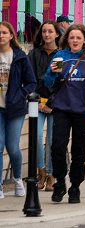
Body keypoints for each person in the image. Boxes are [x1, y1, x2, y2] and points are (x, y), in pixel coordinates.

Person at [45, 24, 85, 204]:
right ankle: (60, 182)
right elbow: (48, 83)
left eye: (78, 37)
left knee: (79, 151)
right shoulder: (60, 56)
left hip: (83, 111)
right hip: (62, 109)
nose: (75, 41)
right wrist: (52, 73)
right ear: (67, 40)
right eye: (72, 38)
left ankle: (75, 186)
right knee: (57, 147)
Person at [0, 21, 36, 199]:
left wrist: (20, 94)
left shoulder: (20, 57)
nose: (1, 36)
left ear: (11, 35)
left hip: (15, 107)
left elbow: (31, 82)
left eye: (4, 32)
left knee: (12, 147)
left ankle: (17, 179)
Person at [28, 20, 61, 191]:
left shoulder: (62, 55)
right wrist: (38, 100)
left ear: (56, 34)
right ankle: (40, 171)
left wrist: (51, 102)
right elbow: (29, 78)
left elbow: (62, 83)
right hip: (37, 103)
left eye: (50, 31)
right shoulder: (34, 54)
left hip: (56, 105)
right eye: (44, 31)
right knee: (36, 136)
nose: (47, 34)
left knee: (52, 140)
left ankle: (51, 174)